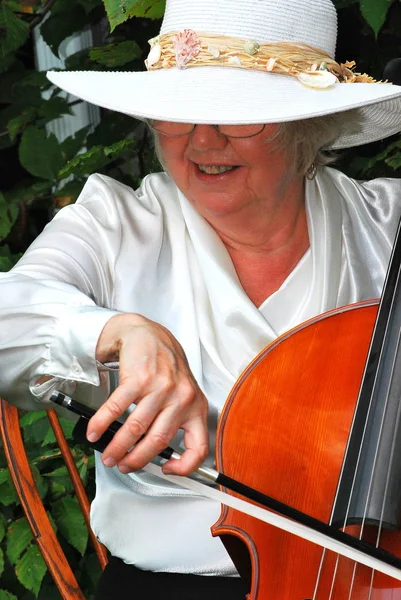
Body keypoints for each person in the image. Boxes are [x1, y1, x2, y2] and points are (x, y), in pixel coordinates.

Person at [1, 0, 401, 597]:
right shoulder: (115, 223)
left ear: (305, 126)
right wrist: (120, 332)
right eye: (179, 114)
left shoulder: (386, 224)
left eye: (240, 117)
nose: (202, 140)